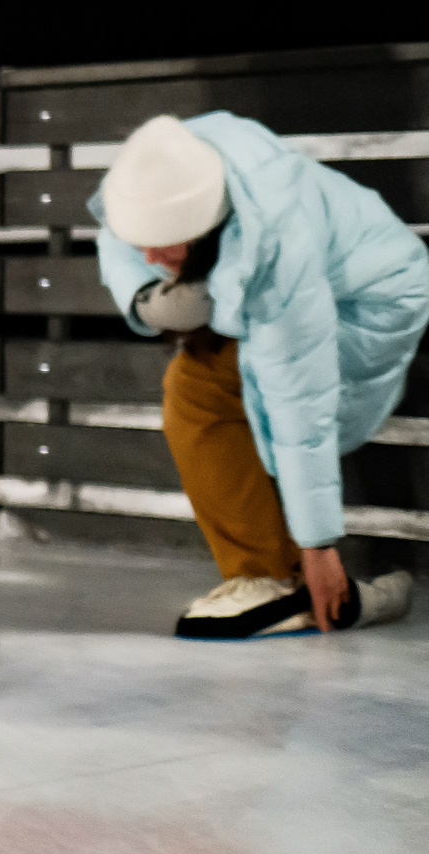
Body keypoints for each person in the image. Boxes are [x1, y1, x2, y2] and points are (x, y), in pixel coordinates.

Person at [93, 113, 424, 637]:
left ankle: (273, 577)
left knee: (200, 386)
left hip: (370, 304)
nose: (151, 257)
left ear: (204, 229)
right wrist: (145, 294)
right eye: (144, 243)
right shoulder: (164, 166)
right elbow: (119, 234)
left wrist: (319, 544)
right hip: (299, 278)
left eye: (167, 245)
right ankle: (297, 580)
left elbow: (300, 396)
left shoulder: (277, 248)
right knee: (203, 383)